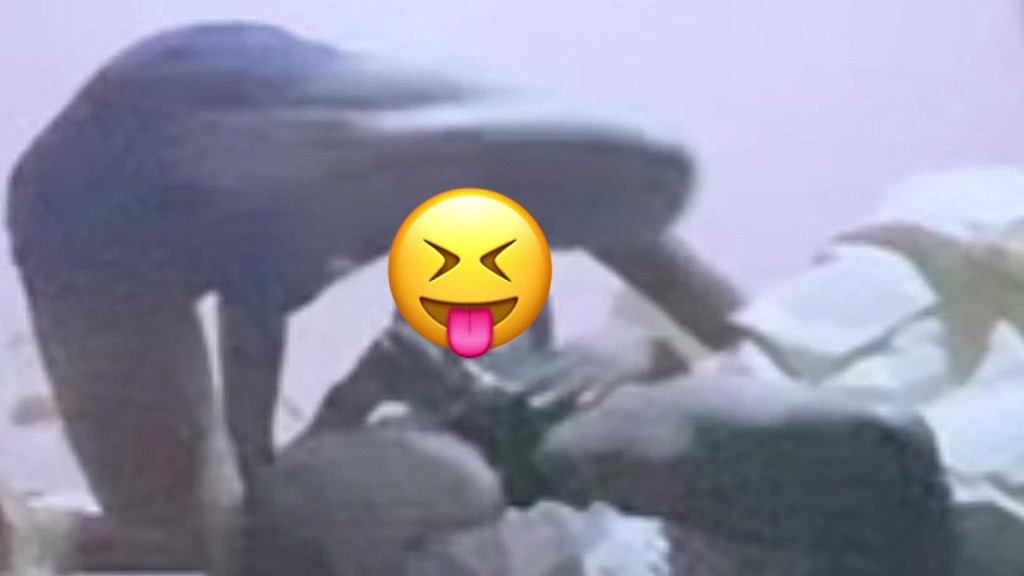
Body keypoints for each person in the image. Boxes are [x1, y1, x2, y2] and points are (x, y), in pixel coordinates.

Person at [4, 22, 742, 572]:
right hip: (116, 202)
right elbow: (254, 338)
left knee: (191, 534)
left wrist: (647, 351)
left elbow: (257, 333)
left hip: (204, 115)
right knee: (189, 535)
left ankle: (310, 110)